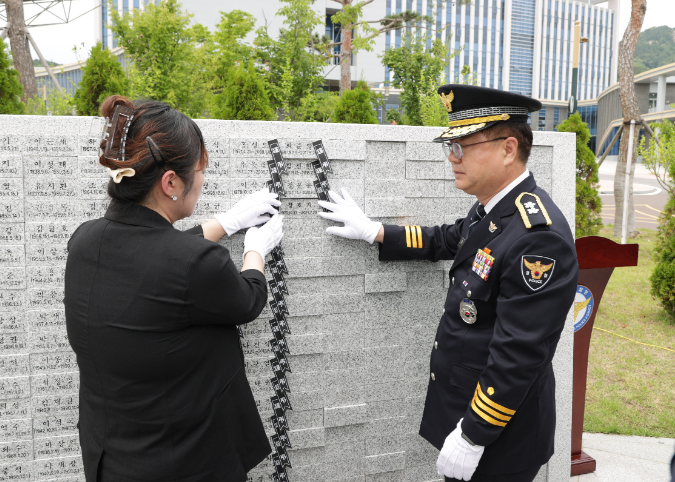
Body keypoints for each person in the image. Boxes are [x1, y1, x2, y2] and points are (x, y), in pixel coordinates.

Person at [318, 84, 579, 482]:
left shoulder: (537, 236)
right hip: (468, 412)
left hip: (500, 435)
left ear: (508, 149)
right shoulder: (493, 209)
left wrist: (475, 435)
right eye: (450, 147)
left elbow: (520, 353)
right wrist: (376, 232)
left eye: (463, 147)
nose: (451, 158)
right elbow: (448, 238)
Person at [65, 95, 284, 482]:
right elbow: (247, 299)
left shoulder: (84, 241)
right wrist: (255, 251)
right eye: (199, 171)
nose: (202, 179)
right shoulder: (194, 264)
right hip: (184, 464)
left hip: (110, 459)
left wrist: (225, 222)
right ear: (171, 182)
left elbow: (157, 257)